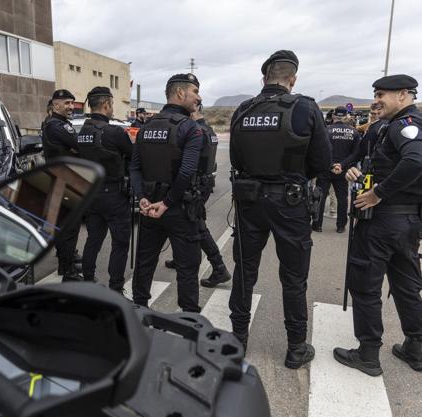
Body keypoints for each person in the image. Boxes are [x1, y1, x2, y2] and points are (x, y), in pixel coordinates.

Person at [228, 50, 332, 367]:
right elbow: (323, 162)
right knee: (293, 278)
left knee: (244, 273)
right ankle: (296, 348)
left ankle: (237, 342)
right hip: (290, 203)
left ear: (265, 78)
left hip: (249, 202)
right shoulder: (305, 107)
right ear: (292, 79)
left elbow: (235, 159)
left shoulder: (243, 110)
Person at [334, 74, 422, 375]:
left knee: (366, 286)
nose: (376, 100)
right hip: (406, 221)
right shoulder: (395, 126)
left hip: (384, 222)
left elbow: (415, 162)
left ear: (404, 95)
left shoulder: (405, 125)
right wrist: (361, 175)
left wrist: (376, 194)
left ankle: (368, 353)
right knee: (406, 285)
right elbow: (395, 165)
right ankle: (416, 348)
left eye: (382, 94)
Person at [130, 73, 204, 313]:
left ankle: (139, 311)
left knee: (145, 262)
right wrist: (167, 202)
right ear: (180, 93)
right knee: (187, 266)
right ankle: (189, 320)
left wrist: (142, 197)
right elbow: (187, 171)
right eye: (195, 91)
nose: (198, 97)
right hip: (178, 208)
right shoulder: (190, 128)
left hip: (149, 206)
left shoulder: (146, 127)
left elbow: (134, 167)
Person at [165, 104, 231, 288]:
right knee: (188, 222)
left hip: (196, 185)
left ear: (194, 110)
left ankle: (219, 267)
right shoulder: (208, 130)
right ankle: (180, 257)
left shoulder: (198, 131)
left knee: (197, 226)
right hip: (204, 182)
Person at [77, 87, 133, 295]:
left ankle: (88, 279)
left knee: (94, 239)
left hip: (91, 193)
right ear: (106, 104)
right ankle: (116, 288)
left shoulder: (83, 131)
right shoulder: (114, 132)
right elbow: (133, 155)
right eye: (112, 104)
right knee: (120, 242)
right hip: (113, 194)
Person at [41, 89, 82, 281]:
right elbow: (78, 145)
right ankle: (69, 271)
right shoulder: (57, 125)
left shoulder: (55, 123)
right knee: (69, 227)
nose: (71, 107)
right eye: (67, 103)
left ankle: (65, 261)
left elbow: (74, 146)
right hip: (64, 180)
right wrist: (73, 149)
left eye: (72, 103)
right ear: (55, 104)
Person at [312, 106, 361, 233]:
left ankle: (317, 224)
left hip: (326, 169)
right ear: (346, 117)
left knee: (320, 197)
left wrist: (332, 165)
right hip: (343, 171)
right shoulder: (354, 132)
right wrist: (342, 165)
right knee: (342, 198)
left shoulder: (325, 130)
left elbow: (319, 150)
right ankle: (341, 226)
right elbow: (355, 154)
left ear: (333, 116)